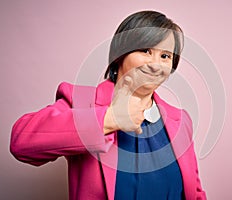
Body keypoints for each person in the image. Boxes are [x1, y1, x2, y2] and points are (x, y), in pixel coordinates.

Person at [10, 10, 207, 200]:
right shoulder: (81, 101)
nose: (155, 65)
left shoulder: (180, 120)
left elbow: (195, 192)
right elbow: (21, 143)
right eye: (146, 51)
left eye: (165, 56)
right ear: (121, 53)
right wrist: (109, 118)